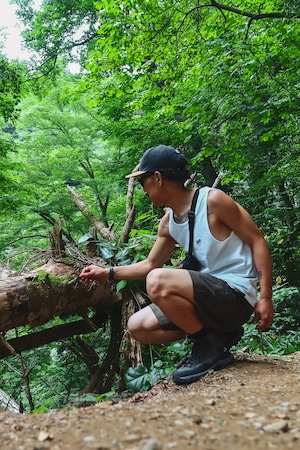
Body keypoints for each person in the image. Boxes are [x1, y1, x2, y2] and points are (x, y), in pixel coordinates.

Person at [80, 144, 274, 385]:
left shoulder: (213, 201)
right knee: (138, 326)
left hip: (235, 296)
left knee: (157, 280)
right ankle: (216, 336)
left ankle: (207, 346)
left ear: (158, 179)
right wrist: (107, 273)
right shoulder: (168, 222)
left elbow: (257, 240)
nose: (143, 189)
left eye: (143, 182)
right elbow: (150, 263)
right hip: (209, 299)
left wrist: (265, 297)